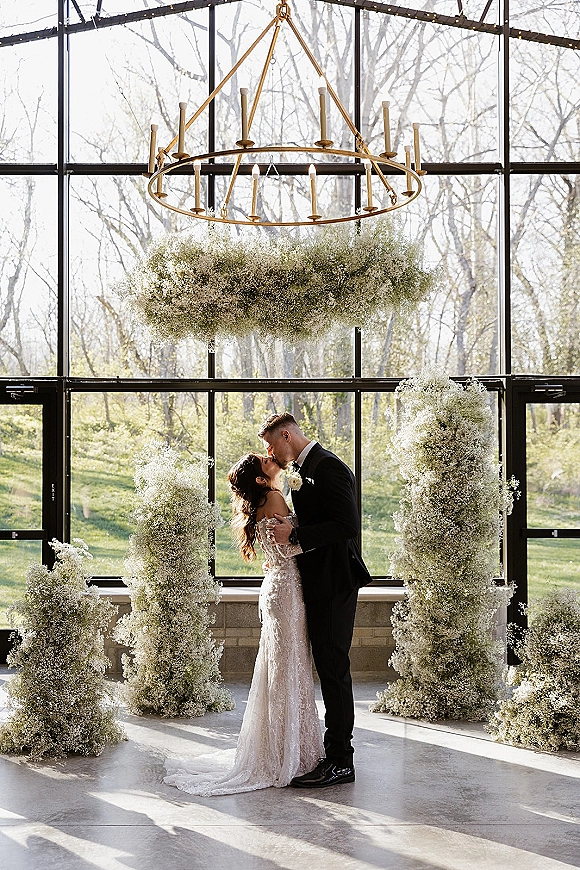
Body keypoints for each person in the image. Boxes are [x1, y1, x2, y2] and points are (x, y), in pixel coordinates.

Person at [163, 452, 323, 796]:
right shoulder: (277, 497)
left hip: (275, 587)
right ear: (262, 480)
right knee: (289, 669)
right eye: (264, 462)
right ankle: (287, 754)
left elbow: (274, 549)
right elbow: (290, 549)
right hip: (287, 590)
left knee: (279, 669)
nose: (271, 459)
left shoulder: (266, 500)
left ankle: (279, 748)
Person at [258, 412, 372, 788]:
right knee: (326, 668)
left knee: (334, 670)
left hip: (336, 583)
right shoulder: (304, 470)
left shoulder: (330, 467)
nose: (270, 452)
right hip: (317, 582)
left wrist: (295, 533)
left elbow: (347, 525)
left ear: (286, 435)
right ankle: (332, 752)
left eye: (271, 444)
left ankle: (342, 761)